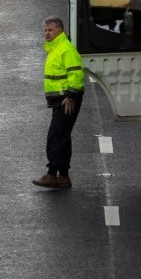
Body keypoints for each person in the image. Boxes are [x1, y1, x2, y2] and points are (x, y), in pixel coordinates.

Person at [33, 17, 86, 190]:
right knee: (63, 138)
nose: (47, 33)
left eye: (51, 30)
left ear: (60, 31)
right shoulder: (56, 48)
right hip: (61, 100)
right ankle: (63, 177)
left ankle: (52, 175)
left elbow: (76, 76)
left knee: (55, 138)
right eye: (45, 30)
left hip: (67, 100)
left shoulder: (66, 49)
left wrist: (70, 97)